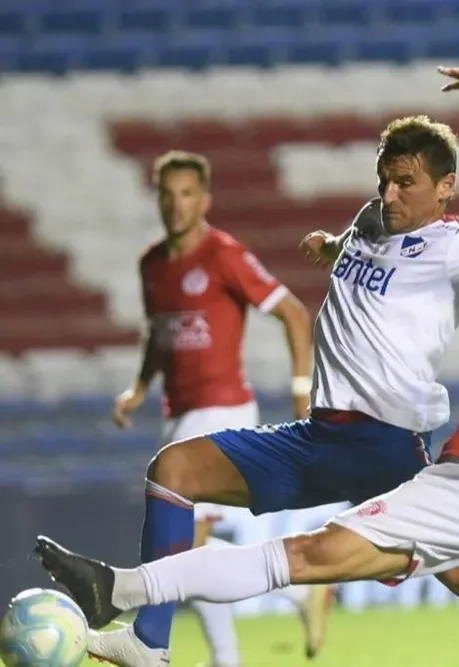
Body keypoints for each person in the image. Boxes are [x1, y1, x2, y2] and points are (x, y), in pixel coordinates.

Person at [36, 67, 459, 667]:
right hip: (387, 454)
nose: (391, 194)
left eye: (407, 183)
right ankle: (135, 616)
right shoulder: (375, 224)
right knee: (200, 488)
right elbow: (375, 258)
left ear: (446, 189)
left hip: (418, 453)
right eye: (384, 180)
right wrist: (333, 247)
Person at [106, 150, 328, 667]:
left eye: (187, 194)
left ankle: (226, 654)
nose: (176, 205)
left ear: (204, 200)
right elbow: (161, 333)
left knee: (185, 544)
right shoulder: (152, 264)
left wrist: (301, 393)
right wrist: (139, 387)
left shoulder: (224, 254)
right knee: (185, 549)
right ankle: (297, 594)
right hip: (179, 414)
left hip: (224, 408)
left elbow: (295, 314)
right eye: (168, 194)